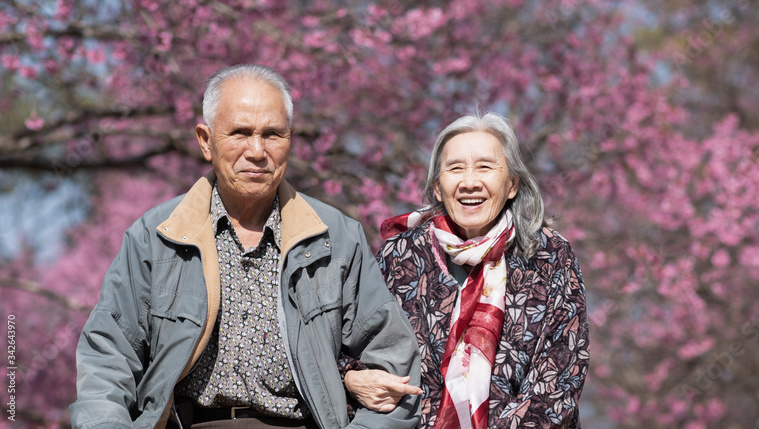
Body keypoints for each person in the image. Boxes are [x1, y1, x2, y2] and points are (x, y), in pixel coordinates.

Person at [70, 64, 422, 429]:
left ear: (291, 139)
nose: (257, 151)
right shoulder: (155, 236)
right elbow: (108, 360)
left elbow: (394, 362)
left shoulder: (337, 238)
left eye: (272, 134)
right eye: (240, 132)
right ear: (205, 140)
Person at [341, 113, 589, 428]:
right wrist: (351, 377)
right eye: (456, 168)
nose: (470, 182)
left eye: (485, 167)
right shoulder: (400, 254)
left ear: (512, 184)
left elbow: (563, 372)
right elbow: (354, 344)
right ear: (438, 187)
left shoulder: (550, 255)